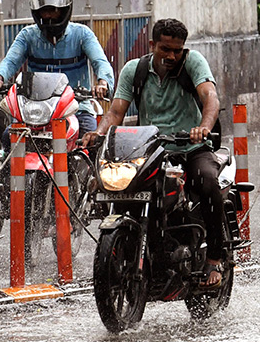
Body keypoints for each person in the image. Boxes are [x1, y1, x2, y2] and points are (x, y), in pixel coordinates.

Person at [84, 18, 226, 286]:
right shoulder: (133, 70)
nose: (172, 56)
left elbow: (210, 97)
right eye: (165, 49)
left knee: (207, 182)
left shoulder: (193, 62)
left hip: (190, 148)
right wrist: (99, 133)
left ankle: (214, 259)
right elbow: (115, 112)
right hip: (148, 150)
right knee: (115, 188)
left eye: (177, 50)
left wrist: (203, 128)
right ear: (152, 45)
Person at [0, 0, 113, 136]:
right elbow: (10, 61)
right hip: (35, 111)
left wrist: (103, 83)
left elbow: (100, 62)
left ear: (65, 10)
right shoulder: (27, 35)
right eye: (44, 11)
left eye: (53, 10)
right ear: (37, 12)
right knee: (8, 137)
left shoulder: (82, 34)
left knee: (91, 139)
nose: (49, 16)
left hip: (76, 108)